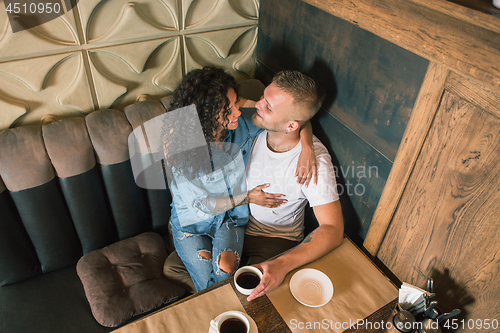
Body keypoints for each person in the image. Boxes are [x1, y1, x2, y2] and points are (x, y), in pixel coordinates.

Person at [161, 67, 317, 292]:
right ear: (206, 114)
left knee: (225, 270)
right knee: (212, 287)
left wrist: (307, 147)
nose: (237, 112)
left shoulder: (241, 124)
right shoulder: (181, 150)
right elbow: (204, 206)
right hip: (193, 224)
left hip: (229, 220)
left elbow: (295, 118)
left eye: (236, 103)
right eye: (228, 109)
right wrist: (248, 198)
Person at [242, 70, 344, 301]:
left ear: (291, 125)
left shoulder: (314, 162)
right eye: (262, 97)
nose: (257, 104)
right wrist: (305, 139)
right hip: (235, 223)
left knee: (248, 291)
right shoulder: (258, 122)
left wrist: (282, 264)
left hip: (275, 239)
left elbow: (333, 229)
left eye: (267, 106)